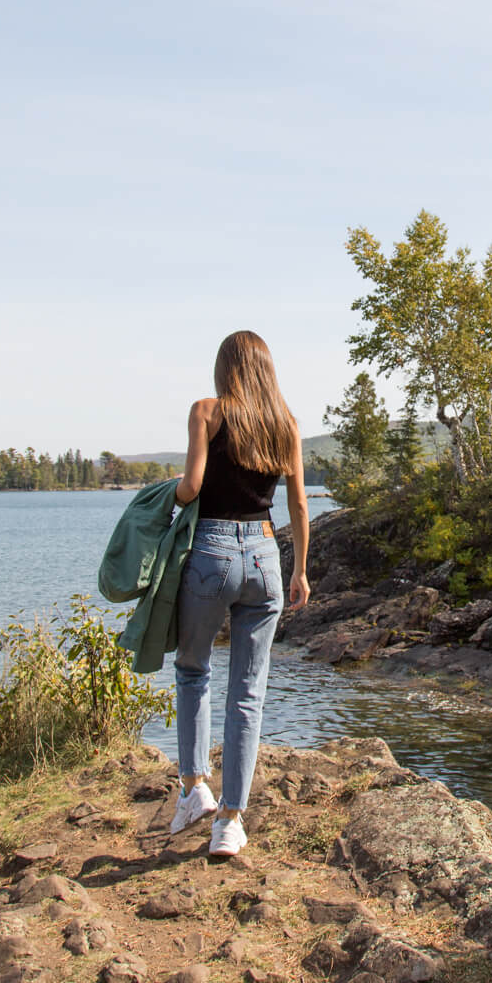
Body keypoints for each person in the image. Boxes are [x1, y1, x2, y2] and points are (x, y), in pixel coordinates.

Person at [167, 330, 310, 856]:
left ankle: (194, 787)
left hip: (211, 550)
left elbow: (190, 488)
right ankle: (230, 821)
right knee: (248, 691)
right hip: (267, 555)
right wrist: (301, 572)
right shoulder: (286, 423)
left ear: (224, 368)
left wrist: (168, 488)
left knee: (192, 669)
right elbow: (297, 505)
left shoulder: (207, 411)